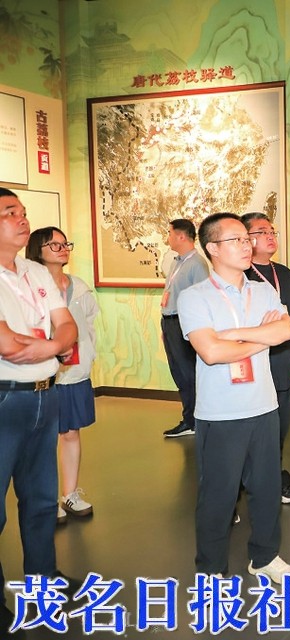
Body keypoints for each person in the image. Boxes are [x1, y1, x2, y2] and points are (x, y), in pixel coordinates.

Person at [178, 212, 290, 582]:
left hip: (264, 407)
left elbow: (285, 331)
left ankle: (265, 556)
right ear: (212, 248)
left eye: (248, 239)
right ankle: (211, 568)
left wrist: (232, 335)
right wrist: (259, 336)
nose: (248, 245)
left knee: (266, 490)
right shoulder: (194, 297)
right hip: (221, 414)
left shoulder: (263, 290)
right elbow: (211, 352)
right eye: (237, 240)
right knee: (218, 496)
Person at [0, 188, 80, 630]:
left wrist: (48, 346)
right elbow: (7, 345)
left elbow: (66, 325)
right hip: (4, 399)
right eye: (9, 212)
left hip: (44, 395)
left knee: (41, 499)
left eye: (23, 212)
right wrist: (53, 345)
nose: (21, 219)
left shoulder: (34, 270)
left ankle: (43, 578)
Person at [26, 227, 99, 524]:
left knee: (71, 434)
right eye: (54, 244)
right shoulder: (29, 287)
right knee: (44, 439)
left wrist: (88, 356)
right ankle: (46, 500)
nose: (62, 248)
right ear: (38, 250)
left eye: (64, 243)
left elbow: (89, 325)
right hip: (41, 374)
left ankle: (69, 494)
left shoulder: (79, 287)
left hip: (75, 373)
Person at [241, 212, 290, 505]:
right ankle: (240, 488)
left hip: (280, 365)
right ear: (245, 239)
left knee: (278, 428)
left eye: (272, 231)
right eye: (261, 231)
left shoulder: (284, 273)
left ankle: (273, 480)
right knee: (246, 431)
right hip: (249, 366)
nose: (270, 236)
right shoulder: (240, 275)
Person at [160, 218, 209, 438]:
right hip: (170, 322)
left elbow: (202, 299)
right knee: (179, 373)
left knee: (188, 373)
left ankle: (194, 420)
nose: (168, 238)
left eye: (170, 233)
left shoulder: (197, 264)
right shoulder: (176, 262)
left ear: (181, 236)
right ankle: (189, 418)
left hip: (184, 324)